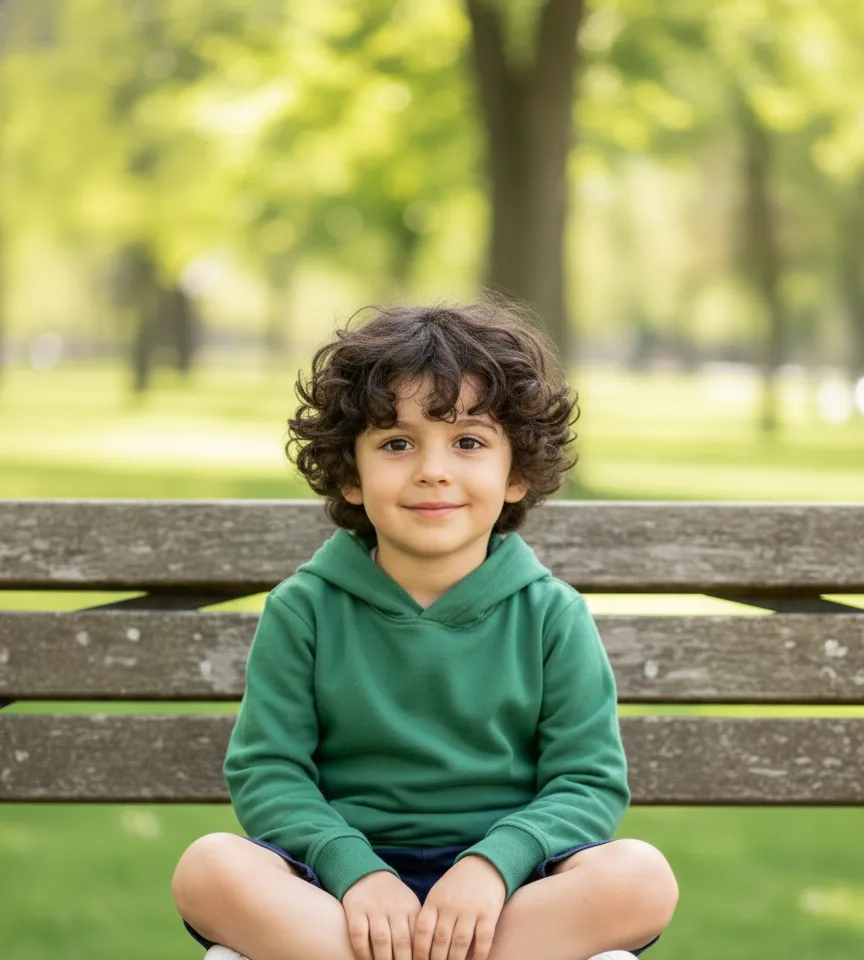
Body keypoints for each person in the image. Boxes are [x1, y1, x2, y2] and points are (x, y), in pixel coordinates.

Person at [171, 300, 679, 960]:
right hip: (338, 890)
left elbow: (587, 782)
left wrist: (492, 866)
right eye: (396, 443)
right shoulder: (304, 609)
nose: (432, 469)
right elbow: (270, 774)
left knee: (640, 877)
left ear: (516, 472)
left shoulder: (552, 614)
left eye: (468, 442)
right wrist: (357, 871)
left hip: (509, 893)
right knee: (209, 868)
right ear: (352, 476)